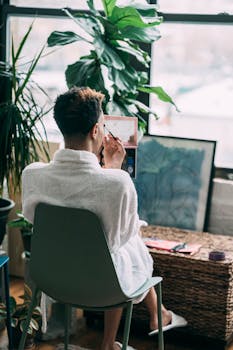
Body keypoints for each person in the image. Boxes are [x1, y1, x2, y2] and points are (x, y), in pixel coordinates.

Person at [22, 86, 187, 350]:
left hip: (52, 279)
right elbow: (121, 238)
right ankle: (146, 322)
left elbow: (33, 221)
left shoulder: (32, 174)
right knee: (133, 245)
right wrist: (112, 170)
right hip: (104, 287)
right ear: (96, 131)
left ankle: (151, 319)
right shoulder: (117, 183)